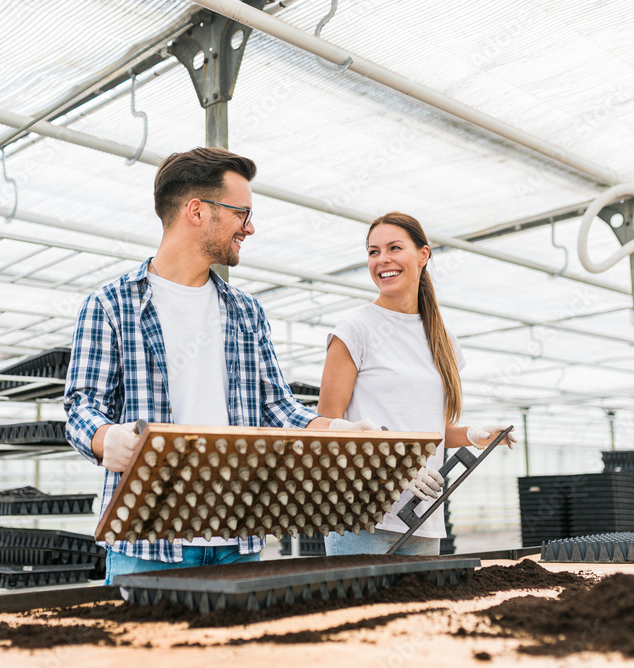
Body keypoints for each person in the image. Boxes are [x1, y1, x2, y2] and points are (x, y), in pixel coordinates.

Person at [64, 147, 372, 581]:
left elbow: (276, 409)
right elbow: (80, 406)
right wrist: (102, 437)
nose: (250, 227)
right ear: (196, 211)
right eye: (241, 213)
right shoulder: (111, 305)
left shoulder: (245, 312)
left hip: (236, 542)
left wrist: (338, 432)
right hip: (148, 548)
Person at [318, 212, 517, 556]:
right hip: (363, 519)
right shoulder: (355, 329)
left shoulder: (444, 340)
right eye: (373, 251)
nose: (383, 260)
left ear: (423, 255)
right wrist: (394, 469)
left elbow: (431, 429)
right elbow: (328, 428)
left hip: (423, 517)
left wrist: (471, 435)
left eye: (394, 248)